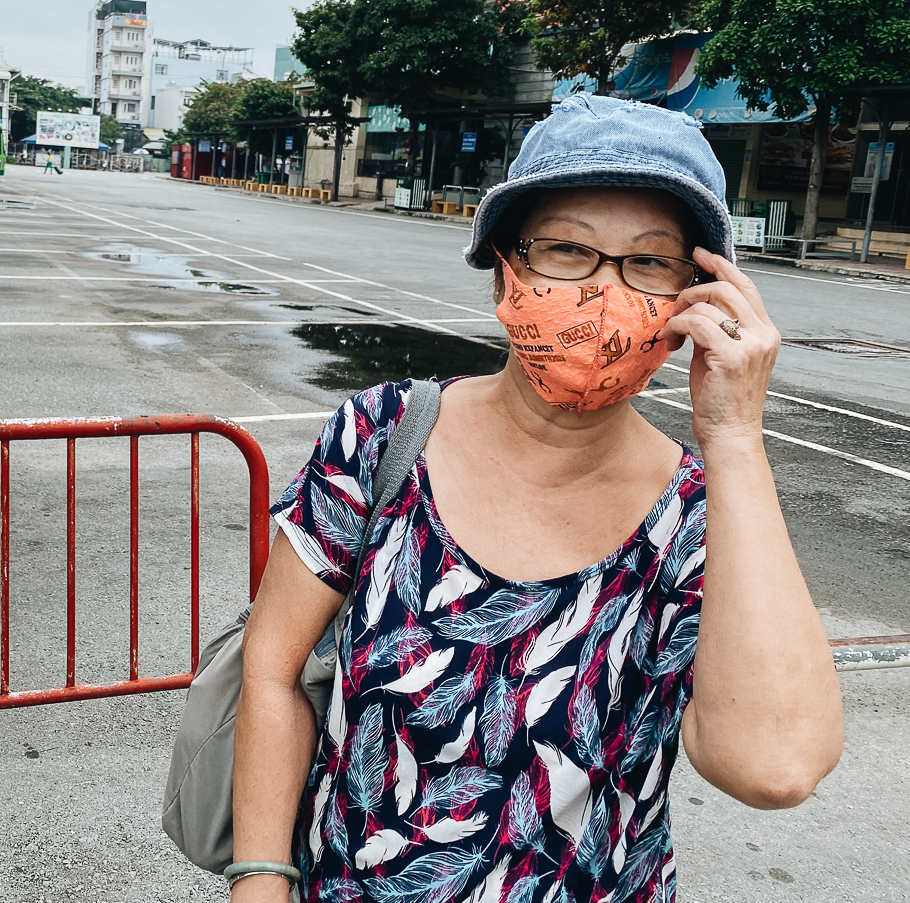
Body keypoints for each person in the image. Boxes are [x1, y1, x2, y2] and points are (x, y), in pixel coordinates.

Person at [230, 94, 843, 903]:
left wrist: (734, 436)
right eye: (566, 250)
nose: (602, 293)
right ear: (504, 269)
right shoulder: (380, 435)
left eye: (651, 262)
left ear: (697, 297)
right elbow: (272, 672)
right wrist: (261, 883)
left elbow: (775, 767)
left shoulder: (703, 516)